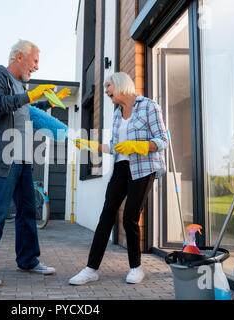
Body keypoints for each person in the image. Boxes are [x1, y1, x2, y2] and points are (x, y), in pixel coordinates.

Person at [0, 40, 70, 286]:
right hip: (3, 159)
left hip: (23, 159)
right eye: (34, 60)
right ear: (19, 57)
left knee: (27, 212)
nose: (36, 67)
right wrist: (29, 94)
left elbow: (24, 110)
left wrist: (47, 100)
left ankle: (28, 259)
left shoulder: (18, 85)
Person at [71, 72, 168, 285]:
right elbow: (116, 147)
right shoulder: (117, 114)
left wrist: (140, 145)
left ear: (122, 84)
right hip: (121, 168)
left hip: (143, 168)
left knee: (130, 217)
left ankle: (136, 267)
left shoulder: (149, 106)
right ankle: (91, 269)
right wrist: (92, 145)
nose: (106, 91)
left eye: (108, 86)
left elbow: (162, 140)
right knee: (106, 216)